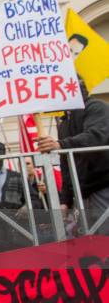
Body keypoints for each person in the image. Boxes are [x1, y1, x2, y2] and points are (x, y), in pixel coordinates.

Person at [36, 86, 109, 235]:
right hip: (83, 191)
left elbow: (96, 136)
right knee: (90, 237)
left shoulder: (96, 107)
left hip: (103, 185)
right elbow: (67, 165)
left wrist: (61, 144)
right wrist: (65, 201)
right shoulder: (64, 123)